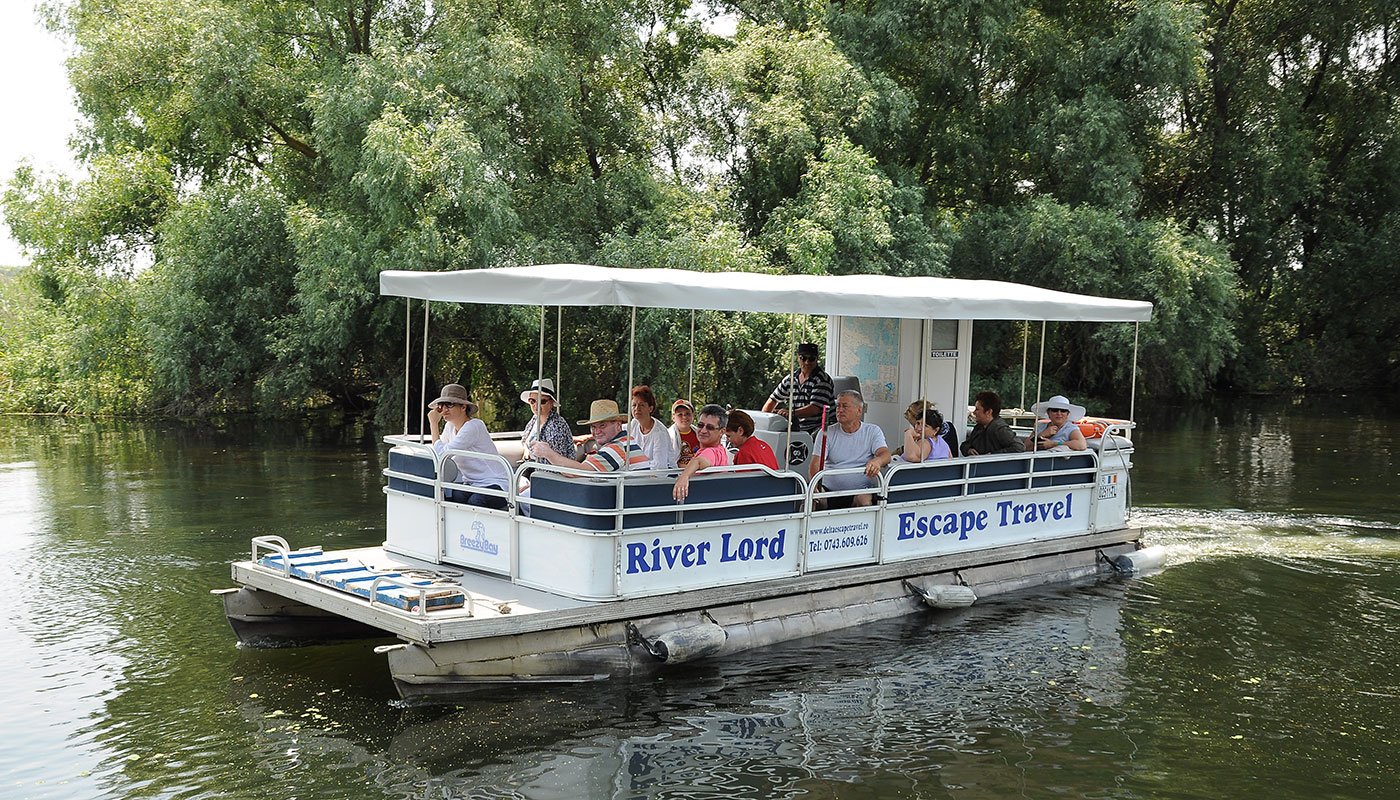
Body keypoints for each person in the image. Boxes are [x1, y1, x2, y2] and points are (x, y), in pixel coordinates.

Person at [426, 384, 510, 509]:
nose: (444, 409)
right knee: (456, 496)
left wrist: (433, 424)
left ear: (463, 407)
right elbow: (439, 454)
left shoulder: (474, 426)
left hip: (495, 483)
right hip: (472, 483)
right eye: (441, 405)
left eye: (449, 404)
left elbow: (442, 454)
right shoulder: (450, 426)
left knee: (476, 501)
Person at [809, 390, 890, 507]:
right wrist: (815, 486)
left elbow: (885, 454)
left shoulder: (872, 431)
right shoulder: (826, 432)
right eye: (838, 406)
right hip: (828, 490)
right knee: (812, 500)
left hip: (860, 491)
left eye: (845, 406)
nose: (840, 410)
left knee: (865, 501)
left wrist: (877, 461)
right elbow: (815, 463)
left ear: (859, 410)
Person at [532, 399, 651, 472]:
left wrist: (547, 453)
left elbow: (578, 472)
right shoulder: (625, 441)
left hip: (630, 503)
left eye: (602, 425)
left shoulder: (617, 447)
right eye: (593, 427)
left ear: (618, 425)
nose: (597, 431)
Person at [761, 342, 835, 434]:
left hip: (819, 428)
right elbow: (773, 399)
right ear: (798, 358)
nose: (807, 362)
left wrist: (790, 413)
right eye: (803, 358)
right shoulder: (791, 379)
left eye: (811, 359)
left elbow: (814, 408)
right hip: (799, 428)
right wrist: (764, 420)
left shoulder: (822, 380)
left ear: (817, 359)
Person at [672, 404, 733, 501]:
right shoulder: (720, 450)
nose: (703, 431)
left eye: (710, 427)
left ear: (722, 432)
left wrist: (683, 477)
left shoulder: (712, 451)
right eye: (700, 425)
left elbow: (699, 461)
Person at [519, 378, 576, 463]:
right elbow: (525, 440)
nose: (536, 406)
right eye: (532, 401)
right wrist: (526, 452)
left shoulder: (557, 425)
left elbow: (557, 462)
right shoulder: (535, 419)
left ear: (551, 403)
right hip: (531, 466)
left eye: (542, 401)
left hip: (547, 470)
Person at [627, 384, 677, 469]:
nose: (637, 408)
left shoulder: (659, 432)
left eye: (642, 405)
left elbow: (660, 467)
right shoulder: (633, 424)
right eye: (634, 405)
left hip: (664, 474)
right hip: (640, 473)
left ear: (650, 408)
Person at [961, 390, 1025, 456]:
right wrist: (968, 450)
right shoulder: (979, 427)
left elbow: (1019, 447)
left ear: (988, 412)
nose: (974, 412)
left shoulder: (1000, 429)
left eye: (977, 409)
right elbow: (965, 445)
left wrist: (992, 455)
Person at [668, 399, 700, 467]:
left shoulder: (700, 434)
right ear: (673, 417)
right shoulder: (668, 436)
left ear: (693, 415)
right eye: (680, 414)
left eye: (687, 414)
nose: (684, 417)